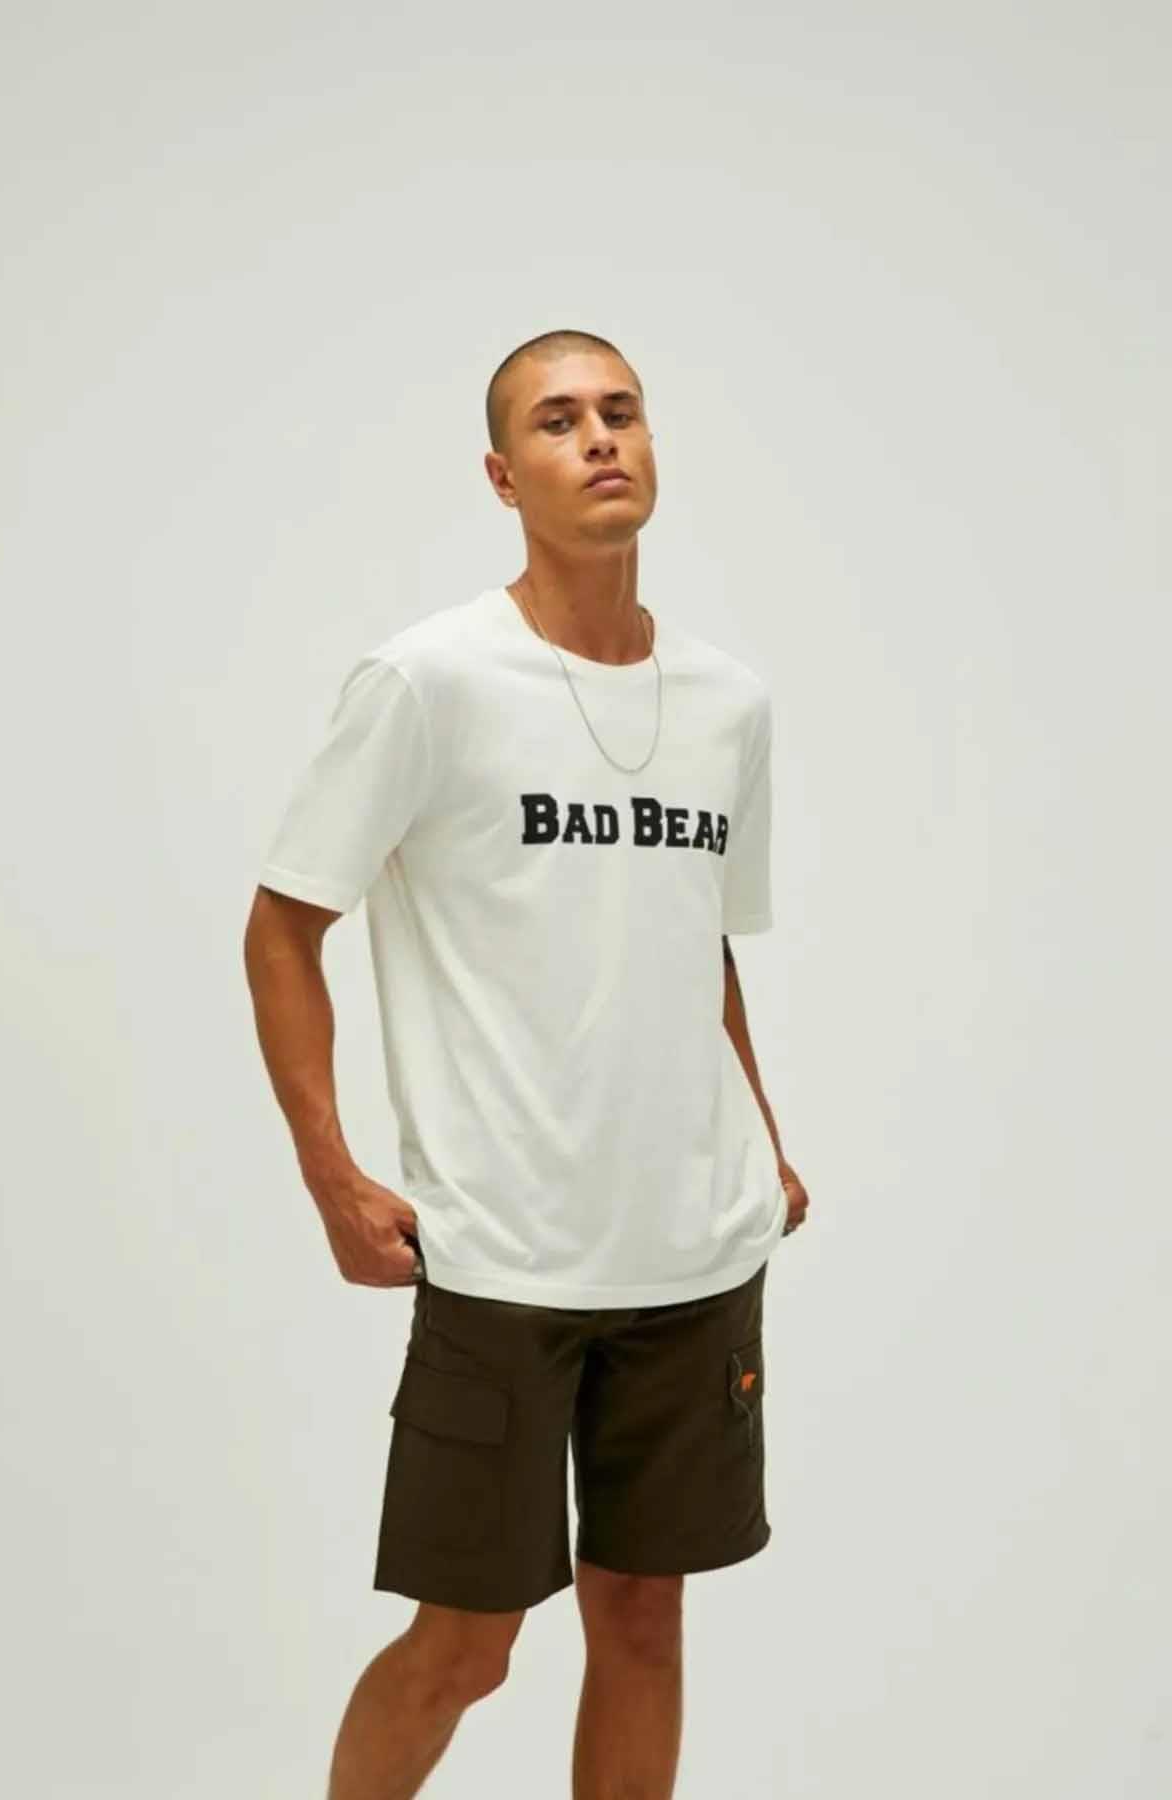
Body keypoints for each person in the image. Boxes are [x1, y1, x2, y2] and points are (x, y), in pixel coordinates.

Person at [242, 328, 811, 1800]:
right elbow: (284, 928)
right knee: (468, 1644)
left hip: (693, 1254)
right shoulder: (428, 681)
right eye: (559, 421)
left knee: (645, 1620)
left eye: (622, 411)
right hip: (502, 1258)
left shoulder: (729, 703)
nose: (601, 437)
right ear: (504, 477)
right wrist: (330, 1175)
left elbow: (701, 945)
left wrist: (763, 1135)